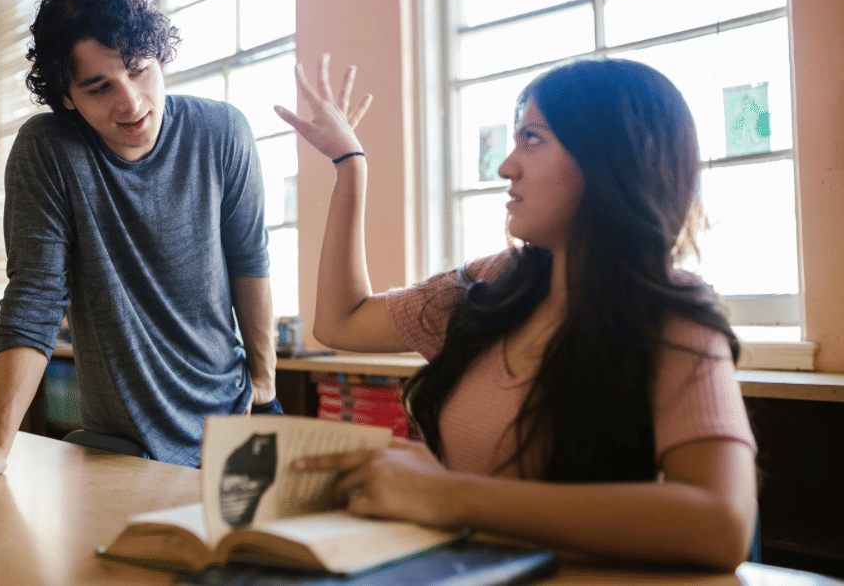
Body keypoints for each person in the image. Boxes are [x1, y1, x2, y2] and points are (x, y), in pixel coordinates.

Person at [274, 55, 757, 570]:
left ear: (607, 159)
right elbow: (340, 320)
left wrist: (448, 495)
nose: (506, 166)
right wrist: (351, 165)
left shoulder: (670, 313)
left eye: (532, 139)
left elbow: (721, 524)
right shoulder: (495, 282)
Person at [0, 0, 279, 484]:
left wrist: (263, 380)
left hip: (237, 417)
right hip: (125, 443)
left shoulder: (223, 131)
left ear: (160, 58)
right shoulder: (47, 150)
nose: (131, 103)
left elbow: (249, 259)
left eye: (139, 71)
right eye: (99, 87)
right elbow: (36, 295)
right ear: (66, 97)